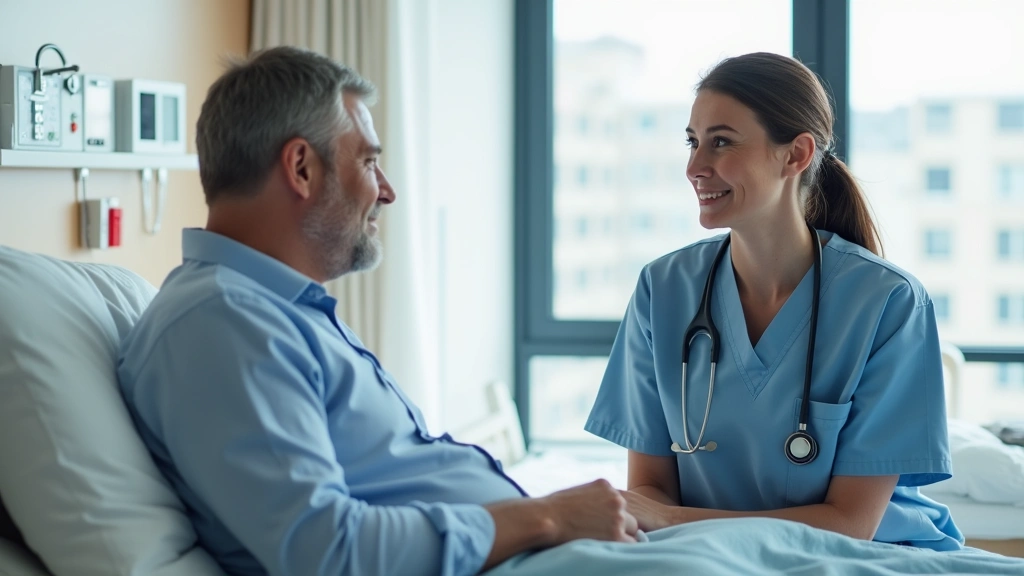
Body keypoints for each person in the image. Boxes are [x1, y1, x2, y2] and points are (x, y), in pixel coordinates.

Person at [117, 46, 638, 576]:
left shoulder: (276, 310)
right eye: (368, 161)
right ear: (301, 167)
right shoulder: (225, 324)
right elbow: (330, 552)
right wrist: (546, 517)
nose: (386, 191)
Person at [585, 52, 964, 551]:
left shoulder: (888, 303)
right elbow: (649, 490)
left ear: (796, 154)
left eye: (721, 142)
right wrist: (671, 521)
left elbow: (852, 524)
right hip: (706, 555)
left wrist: (674, 518)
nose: (695, 167)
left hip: (867, 557)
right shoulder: (664, 289)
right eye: (693, 142)